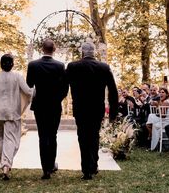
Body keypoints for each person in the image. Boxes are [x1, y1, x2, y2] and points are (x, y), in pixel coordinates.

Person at [66, 42, 118, 180]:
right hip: (96, 108)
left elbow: (63, 85)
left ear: (82, 52)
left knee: (82, 137)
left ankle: (86, 170)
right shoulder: (103, 67)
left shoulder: (72, 66)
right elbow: (113, 90)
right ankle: (93, 165)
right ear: (94, 52)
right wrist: (113, 112)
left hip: (80, 108)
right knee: (94, 135)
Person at [26, 38, 68, 180]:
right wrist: (58, 99)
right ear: (54, 49)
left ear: (42, 49)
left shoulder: (33, 65)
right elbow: (65, 88)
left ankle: (46, 169)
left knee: (42, 136)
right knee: (53, 135)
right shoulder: (60, 66)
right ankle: (51, 164)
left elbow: (29, 84)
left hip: (40, 105)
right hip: (55, 105)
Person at [0, 54, 32, 180]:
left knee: (0, 138)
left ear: (1, 64)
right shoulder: (17, 76)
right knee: (11, 139)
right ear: (12, 64)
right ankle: (6, 164)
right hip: (12, 112)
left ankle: (3, 165)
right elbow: (28, 91)